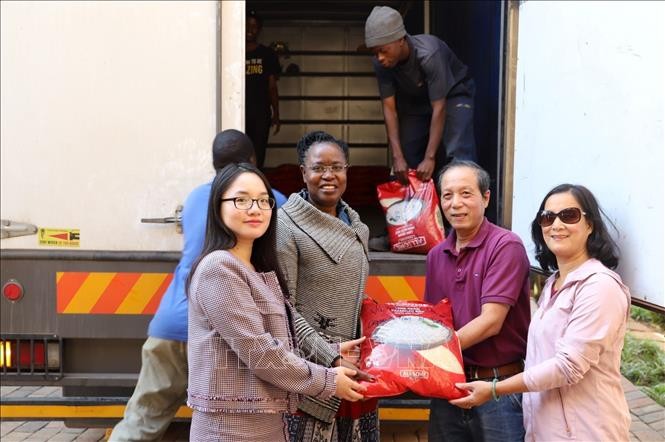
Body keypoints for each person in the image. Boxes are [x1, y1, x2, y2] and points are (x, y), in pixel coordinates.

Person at [109, 130, 286, 441]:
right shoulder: (270, 202)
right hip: (213, 330)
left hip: (168, 325)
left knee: (141, 420)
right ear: (253, 162)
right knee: (232, 421)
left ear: (214, 163)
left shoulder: (194, 198)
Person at [187, 163, 366, 441]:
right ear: (217, 207)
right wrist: (328, 380)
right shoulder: (219, 268)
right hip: (230, 429)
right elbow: (261, 353)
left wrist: (330, 350)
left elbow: (277, 338)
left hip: (266, 424)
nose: (255, 208)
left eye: (262, 200)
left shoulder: (256, 268)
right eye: (241, 199)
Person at [451, 184, 632, 441]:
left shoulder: (600, 286)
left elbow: (568, 367)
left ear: (590, 224)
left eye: (569, 215)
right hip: (546, 430)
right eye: (547, 218)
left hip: (587, 431)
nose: (556, 224)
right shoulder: (553, 283)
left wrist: (494, 388)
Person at [277, 131, 379, 441]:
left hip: (356, 370)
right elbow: (283, 311)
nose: (328, 175)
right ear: (303, 173)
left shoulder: (357, 225)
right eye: (318, 167)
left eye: (337, 166)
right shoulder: (285, 226)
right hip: (314, 373)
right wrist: (330, 356)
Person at [424, 160, 531, 442]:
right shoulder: (436, 255)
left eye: (466, 193)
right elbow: (435, 322)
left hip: (498, 389)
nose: (455, 203)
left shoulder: (505, 245)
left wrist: (425, 356)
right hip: (450, 385)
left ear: (486, 197)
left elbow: (491, 322)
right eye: (447, 195)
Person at [364, 5, 476, 186]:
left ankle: (462, 206)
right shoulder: (381, 64)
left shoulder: (429, 54)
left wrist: (430, 157)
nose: (379, 58)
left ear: (400, 39)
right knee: (407, 160)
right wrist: (397, 156)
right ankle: (418, 212)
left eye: (383, 50)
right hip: (416, 102)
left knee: (458, 152)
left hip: (452, 94)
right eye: (375, 52)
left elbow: (439, 107)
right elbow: (389, 109)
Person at [246, 9, 280, 169]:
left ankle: (256, 187)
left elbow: (272, 86)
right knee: (240, 154)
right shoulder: (232, 53)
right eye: (247, 25)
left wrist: (276, 113)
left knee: (258, 153)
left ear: (259, 30)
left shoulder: (267, 54)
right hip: (239, 113)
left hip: (260, 114)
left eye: (254, 26)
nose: (249, 29)